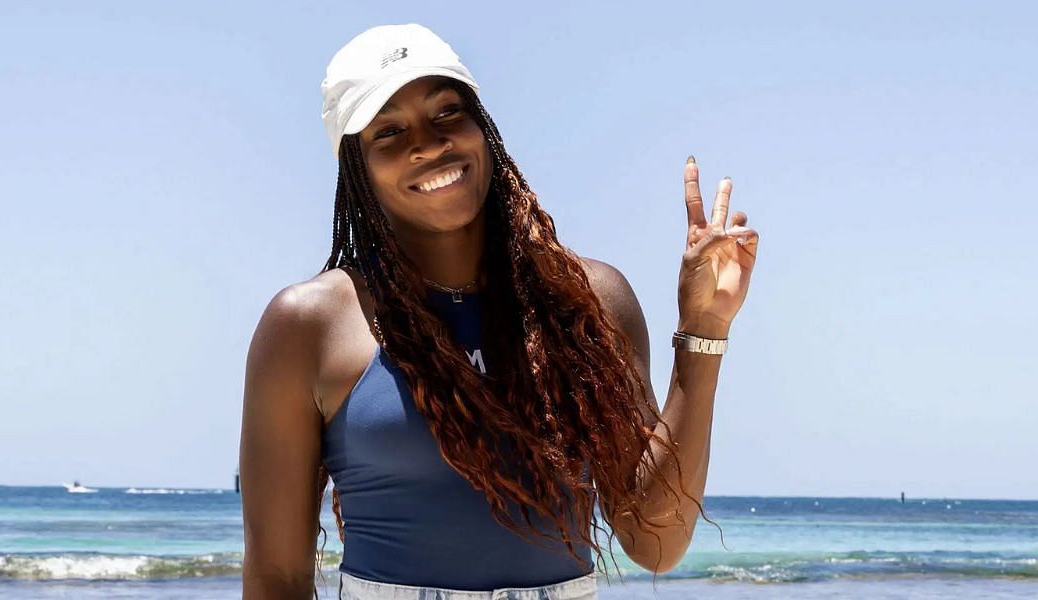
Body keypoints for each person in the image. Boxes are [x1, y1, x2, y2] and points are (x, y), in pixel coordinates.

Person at [239, 23, 760, 600]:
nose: (428, 144)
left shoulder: (589, 301)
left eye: (446, 113)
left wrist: (703, 330)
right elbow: (276, 578)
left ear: (483, 128)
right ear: (356, 169)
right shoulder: (309, 325)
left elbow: (655, 542)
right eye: (388, 132)